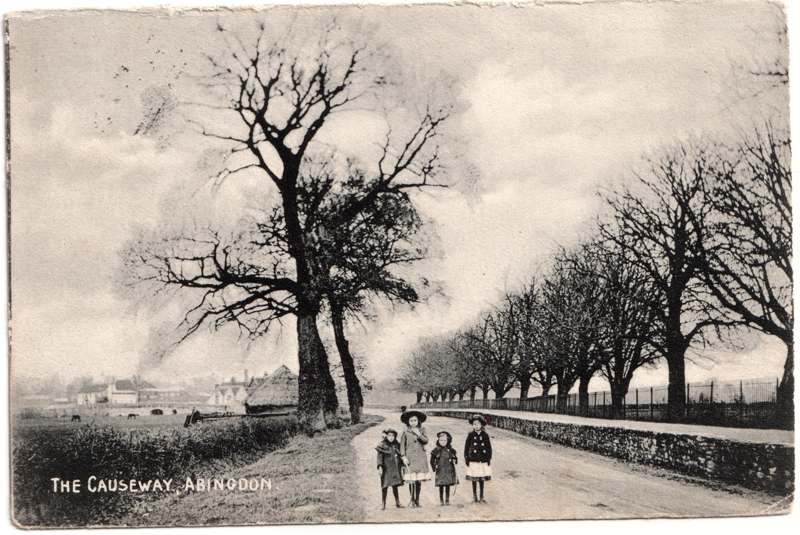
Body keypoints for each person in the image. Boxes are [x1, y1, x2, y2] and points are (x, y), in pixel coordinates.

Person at [399, 409, 432, 507]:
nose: (413, 422)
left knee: (418, 481)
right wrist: (403, 457)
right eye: (411, 421)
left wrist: (419, 434)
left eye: (415, 420)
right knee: (411, 480)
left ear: (418, 421)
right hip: (410, 459)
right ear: (408, 422)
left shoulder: (422, 430)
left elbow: (426, 441)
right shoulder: (405, 432)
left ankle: (417, 500)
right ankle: (412, 499)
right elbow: (402, 446)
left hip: (420, 459)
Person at [464, 414, 492, 503]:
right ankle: (474, 496)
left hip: (482, 460)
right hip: (473, 460)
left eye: (478, 424)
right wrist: (467, 458)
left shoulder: (485, 435)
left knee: (481, 479)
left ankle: (481, 496)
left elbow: (489, 448)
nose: (476, 426)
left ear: (481, 425)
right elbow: (466, 447)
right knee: (474, 479)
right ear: (472, 425)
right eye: (474, 424)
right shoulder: (470, 435)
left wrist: (488, 458)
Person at [376, 428, 405, 510]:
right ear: (386, 436)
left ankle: (397, 502)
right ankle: (383, 503)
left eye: (393, 436)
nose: (391, 437)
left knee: (395, 486)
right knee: (384, 486)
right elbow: (379, 457)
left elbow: (400, 455)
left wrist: (402, 465)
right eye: (389, 435)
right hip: (386, 469)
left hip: (395, 469)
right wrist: (380, 467)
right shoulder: (382, 445)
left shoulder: (396, 445)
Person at [430, 431, 458, 506]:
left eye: (444, 440)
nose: (443, 442)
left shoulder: (451, 450)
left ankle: (447, 500)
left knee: (448, 485)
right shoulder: (436, 450)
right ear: (438, 440)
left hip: (449, 469)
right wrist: (433, 467)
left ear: (448, 440)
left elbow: (455, 458)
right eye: (441, 440)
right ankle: (441, 500)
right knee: (441, 485)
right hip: (440, 470)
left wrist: (455, 460)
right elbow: (432, 460)